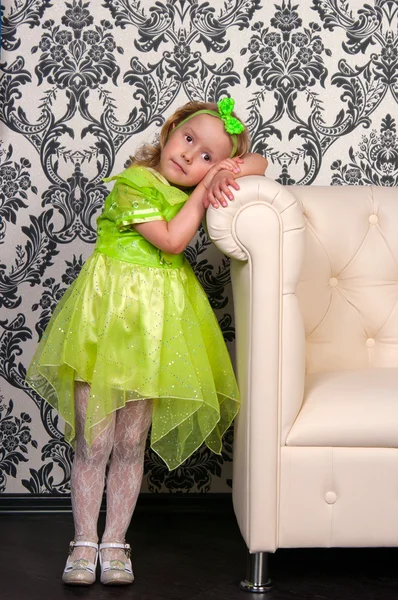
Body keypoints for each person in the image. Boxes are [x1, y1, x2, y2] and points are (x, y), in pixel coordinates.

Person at [26, 97, 268, 586]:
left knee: (132, 441)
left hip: (157, 328)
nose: (190, 156)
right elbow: (174, 241)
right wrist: (205, 190)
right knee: (95, 440)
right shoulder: (136, 182)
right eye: (188, 139)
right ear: (171, 129)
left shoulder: (195, 180)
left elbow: (260, 163)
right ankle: (83, 541)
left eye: (207, 157)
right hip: (107, 323)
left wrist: (226, 169)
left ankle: (115, 542)